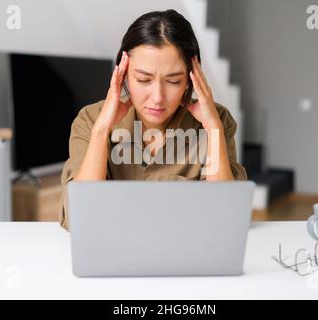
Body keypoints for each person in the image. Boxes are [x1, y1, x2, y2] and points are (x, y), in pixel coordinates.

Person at [59, 9, 247, 230]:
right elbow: (79, 218)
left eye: (174, 81)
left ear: (190, 79)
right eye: (143, 79)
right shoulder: (91, 120)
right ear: (123, 75)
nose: (157, 98)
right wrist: (102, 130)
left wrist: (213, 129)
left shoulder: (218, 120)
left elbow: (226, 219)